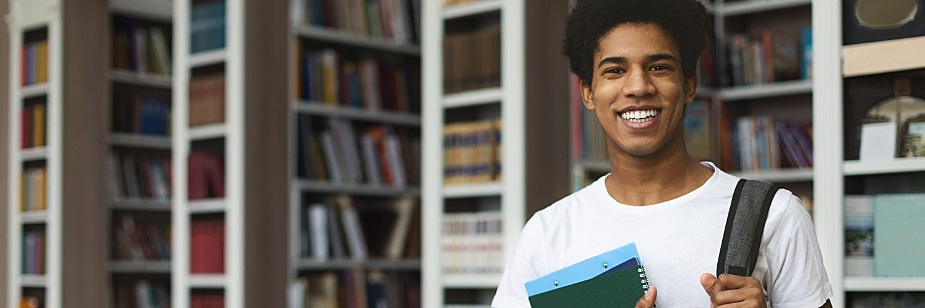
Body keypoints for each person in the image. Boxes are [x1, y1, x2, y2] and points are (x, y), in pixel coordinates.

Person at [491, 0, 833, 307]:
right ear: (588, 92)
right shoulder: (548, 232)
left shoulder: (774, 214)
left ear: (688, 86)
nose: (638, 86)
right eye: (615, 70)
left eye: (658, 67)